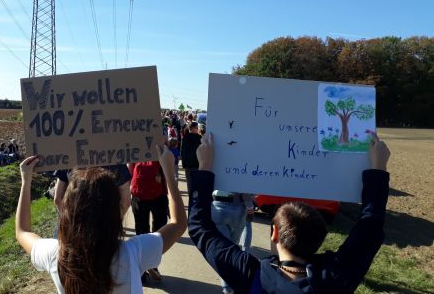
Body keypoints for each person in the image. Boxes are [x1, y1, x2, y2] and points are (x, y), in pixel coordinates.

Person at [188, 131, 391, 294]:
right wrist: (378, 169)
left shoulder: (250, 274)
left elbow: (200, 229)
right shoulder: (335, 278)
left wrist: (205, 166)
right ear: (320, 238)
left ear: (274, 233)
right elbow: (370, 230)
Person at [15, 144, 186, 294]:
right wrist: (168, 172)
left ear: (69, 211)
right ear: (113, 211)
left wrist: (25, 181)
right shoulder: (133, 253)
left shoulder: (56, 256)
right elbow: (178, 223)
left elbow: (22, 231)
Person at [128, 160, 169, 282]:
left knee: (142, 232)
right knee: (157, 233)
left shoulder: (135, 145)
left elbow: (130, 169)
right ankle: (151, 266)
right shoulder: (160, 144)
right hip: (156, 193)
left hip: (139, 193)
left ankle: (143, 269)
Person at [180, 121, 202, 192]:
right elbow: (183, 151)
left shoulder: (185, 137)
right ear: (192, 128)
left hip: (189, 164)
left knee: (190, 182)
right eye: (196, 128)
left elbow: (182, 151)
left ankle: (191, 196)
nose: (198, 129)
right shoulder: (199, 138)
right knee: (195, 182)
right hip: (195, 163)